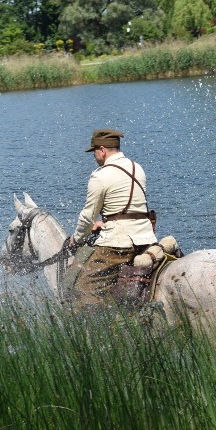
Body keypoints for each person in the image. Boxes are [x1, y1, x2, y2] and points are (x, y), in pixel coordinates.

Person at [65, 128, 157, 306]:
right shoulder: (137, 168)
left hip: (118, 244)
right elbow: (129, 207)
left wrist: (76, 239)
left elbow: (87, 217)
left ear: (102, 150)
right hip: (145, 237)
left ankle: (97, 328)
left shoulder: (100, 176)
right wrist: (104, 222)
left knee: (84, 286)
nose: (94, 157)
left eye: (94, 152)